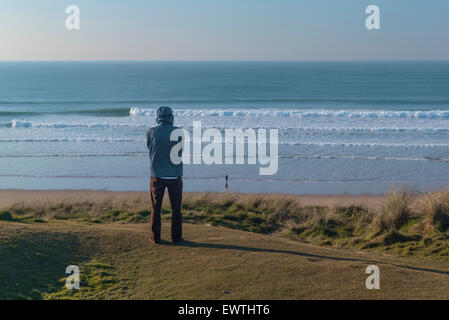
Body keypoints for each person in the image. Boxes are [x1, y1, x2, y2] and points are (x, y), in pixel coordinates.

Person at [146, 106, 183, 244]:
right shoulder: (178, 132)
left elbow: (150, 147)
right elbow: (181, 150)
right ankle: (177, 238)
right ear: (171, 117)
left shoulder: (152, 132)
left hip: (157, 175)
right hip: (175, 175)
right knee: (176, 209)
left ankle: (155, 238)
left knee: (156, 208)